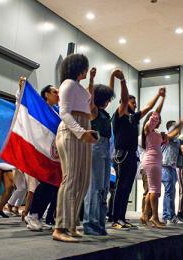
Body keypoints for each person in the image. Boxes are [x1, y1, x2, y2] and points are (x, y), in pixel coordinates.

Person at [52, 54, 98, 242]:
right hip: (71, 132)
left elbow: (90, 107)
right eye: (85, 67)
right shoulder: (68, 84)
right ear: (79, 67)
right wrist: (81, 131)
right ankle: (59, 227)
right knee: (71, 179)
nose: (87, 70)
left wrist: (86, 131)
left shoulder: (79, 87)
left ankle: (70, 225)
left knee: (83, 181)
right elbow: (64, 112)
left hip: (82, 130)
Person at [109, 75, 162, 230]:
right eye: (133, 102)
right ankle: (115, 219)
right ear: (124, 104)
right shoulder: (118, 117)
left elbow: (147, 107)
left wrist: (158, 95)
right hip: (121, 155)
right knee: (120, 187)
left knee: (127, 188)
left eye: (135, 102)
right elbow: (125, 100)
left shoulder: (133, 118)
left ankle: (122, 218)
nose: (135, 104)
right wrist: (123, 82)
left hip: (132, 155)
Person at [82, 69, 121, 236]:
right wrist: (91, 79)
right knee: (94, 188)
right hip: (95, 147)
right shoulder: (94, 111)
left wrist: (112, 77)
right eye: (106, 98)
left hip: (105, 149)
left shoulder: (104, 112)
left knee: (104, 188)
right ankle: (90, 224)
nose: (108, 101)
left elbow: (109, 92)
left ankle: (99, 223)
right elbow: (89, 97)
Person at [140, 89, 181, 228]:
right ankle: (155, 217)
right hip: (152, 161)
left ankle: (145, 215)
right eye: (157, 120)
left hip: (155, 161)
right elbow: (156, 113)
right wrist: (162, 98)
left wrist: (181, 124)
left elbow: (170, 136)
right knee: (155, 190)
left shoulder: (156, 133)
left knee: (152, 190)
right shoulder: (148, 128)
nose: (159, 121)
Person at [25, 85, 61, 231]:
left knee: (53, 186)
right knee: (45, 183)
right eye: (54, 92)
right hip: (40, 151)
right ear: (46, 94)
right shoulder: (39, 107)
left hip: (54, 153)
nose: (58, 94)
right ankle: (32, 214)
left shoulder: (57, 111)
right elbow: (24, 105)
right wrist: (21, 89)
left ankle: (38, 216)